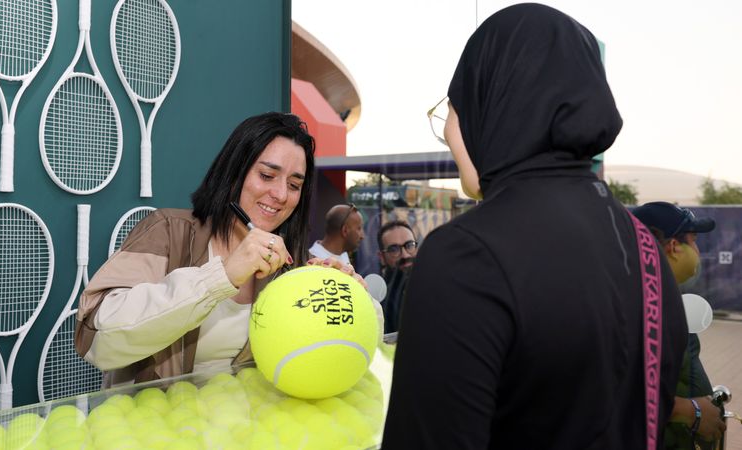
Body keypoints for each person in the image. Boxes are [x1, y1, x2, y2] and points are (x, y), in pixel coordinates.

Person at [382, 4, 688, 449]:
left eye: (454, 106)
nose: (448, 132)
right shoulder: (646, 248)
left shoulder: (466, 254)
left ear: (493, 103)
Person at [74, 112, 383, 386]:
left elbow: (348, 347)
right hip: (152, 429)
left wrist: (353, 298)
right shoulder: (169, 230)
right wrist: (221, 277)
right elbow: (97, 340)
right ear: (233, 172)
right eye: (266, 175)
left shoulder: (293, 268)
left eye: (294, 184)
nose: (279, 194)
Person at [632, 202, 727, 447]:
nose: (697, 250)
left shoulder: (660, 298)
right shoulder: (636, 306)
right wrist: (690, 410)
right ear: (674, 247)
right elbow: (617, 388)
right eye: (694, 240)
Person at [377, 220, 417, 333]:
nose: (405, 254)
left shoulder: (436, 285)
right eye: (394, 249)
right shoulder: (378, 303)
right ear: (382, 257)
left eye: (409, 245)